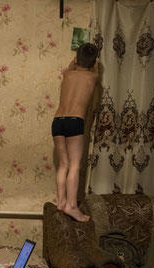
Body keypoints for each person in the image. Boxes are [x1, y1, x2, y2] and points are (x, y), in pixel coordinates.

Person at [52, 42, 99, 222]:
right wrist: (94, 63)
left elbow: (73, 66)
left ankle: (61, 201)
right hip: (74, 121)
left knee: (63, 165)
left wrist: (75, 61)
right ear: (93, 62)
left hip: (57, 121)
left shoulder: (67, 75)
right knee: (74, 165)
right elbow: (95, 71)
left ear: (76, 59)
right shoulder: (93, 78)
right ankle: (72, 205)